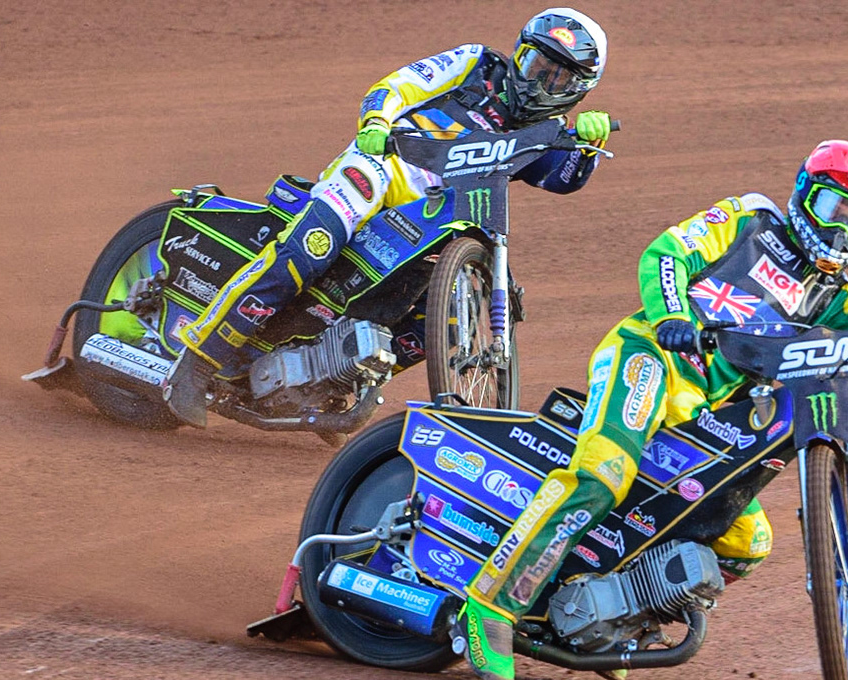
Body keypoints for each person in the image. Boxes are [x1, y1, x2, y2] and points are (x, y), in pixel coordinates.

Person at [456, 139, 848, 680]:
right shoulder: (751, 221)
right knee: (603, 474)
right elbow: (666, 254)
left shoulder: (834, 295)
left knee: (746, 542)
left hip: (706, 408)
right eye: (833, 211)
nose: (840, 233)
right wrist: (672, 316)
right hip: (652, 356)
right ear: (805, 196)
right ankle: (490, 605)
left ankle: (617, 615)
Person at [164, 8, 614, 428]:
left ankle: (331, 380)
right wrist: (377, 121)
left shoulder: (545, 134)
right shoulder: (477, 63)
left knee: (445, 318)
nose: (541, 81)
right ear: (519, 53)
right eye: (536, 64)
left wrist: (586, 147)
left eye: (557, 78)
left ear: (578, 89)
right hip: (379, 169)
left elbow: (562, 179)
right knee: (311, 249)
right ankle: (197, 361)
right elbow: (399, 85)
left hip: (438, 213)